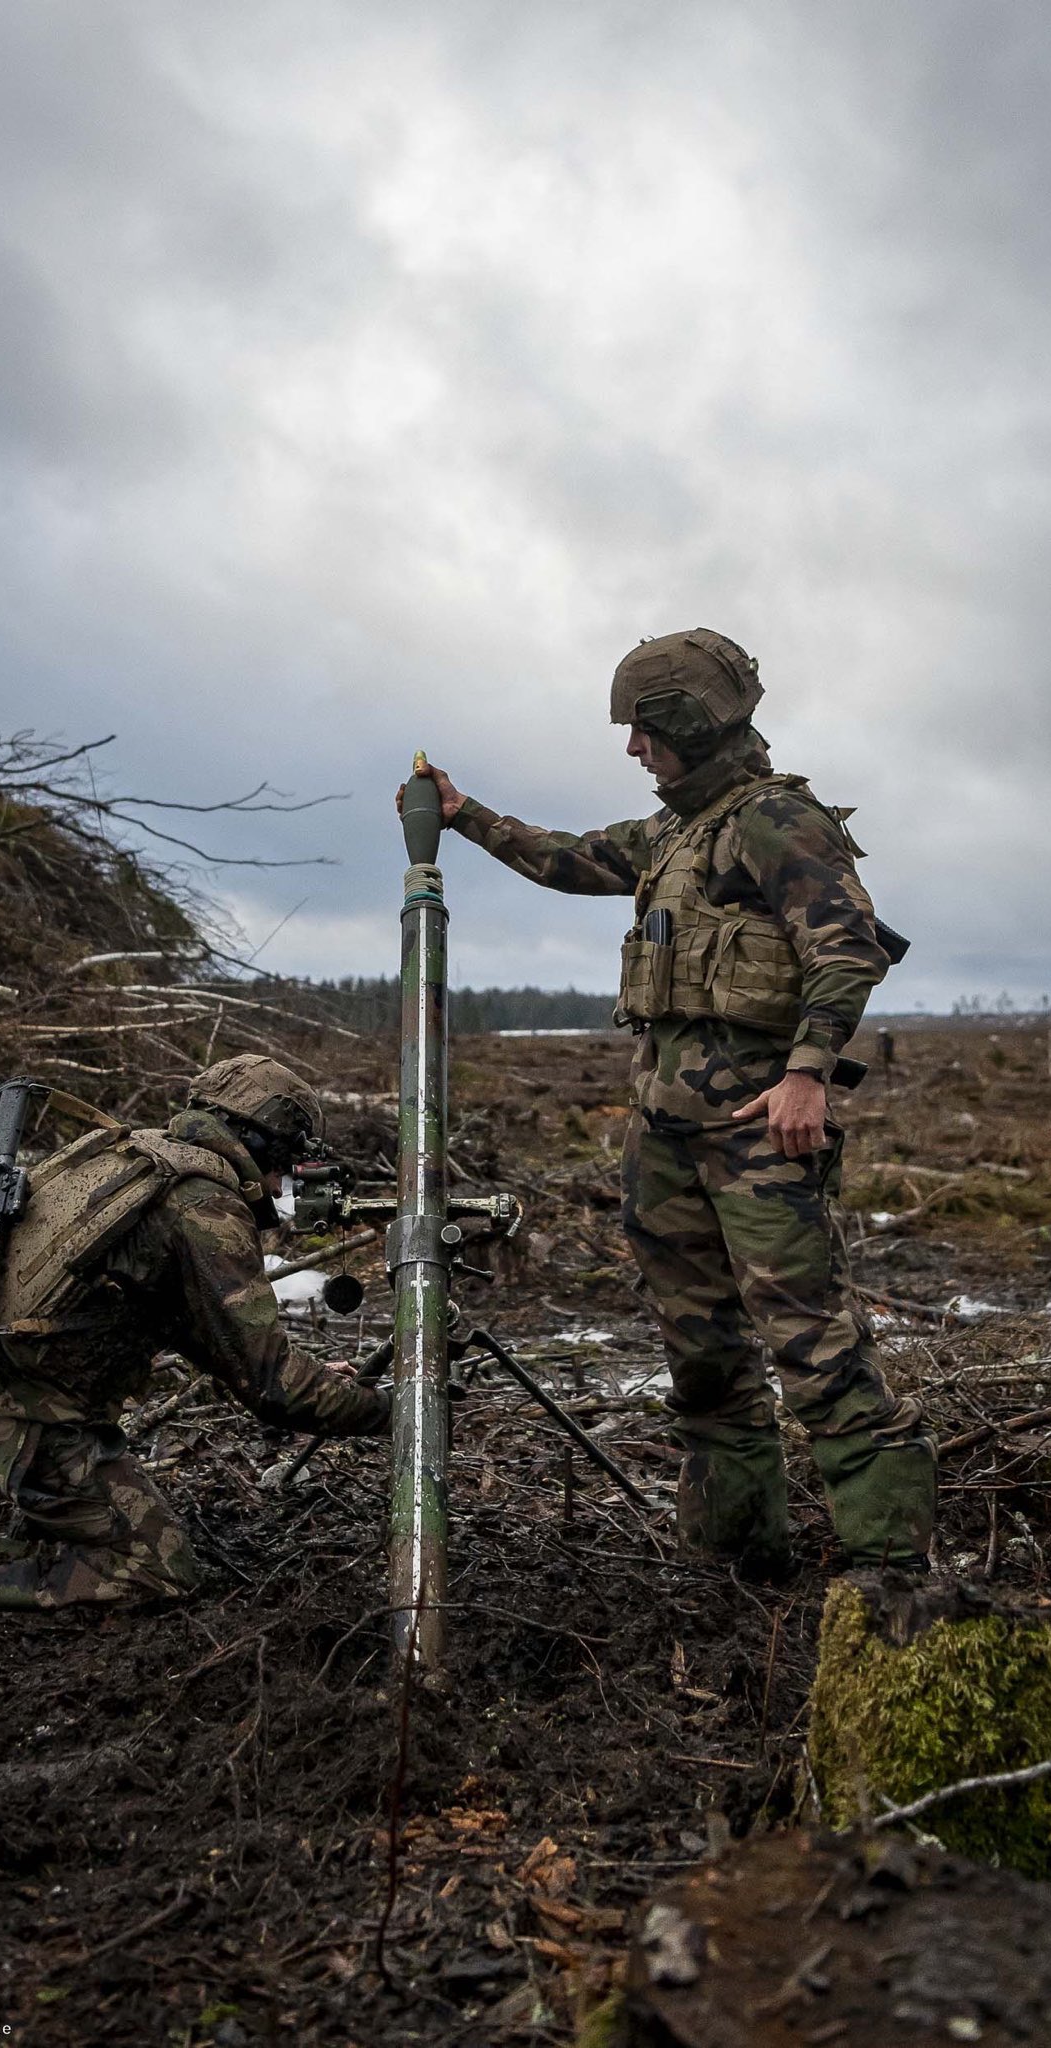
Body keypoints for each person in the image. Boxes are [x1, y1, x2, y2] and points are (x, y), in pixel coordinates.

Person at [402, 628, 935, 1578]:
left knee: (814, 1351)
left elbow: (846, 948)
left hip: (757, 1139)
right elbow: (563, 857)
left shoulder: (774, 822)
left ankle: (890, 1582)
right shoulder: (671, 833)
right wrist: (462, 814)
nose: (632, 748)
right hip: (665, 1142)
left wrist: (806, 1073)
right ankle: (735, 1564)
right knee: (703, 1361)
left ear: (691, 721)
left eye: (644, 728)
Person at [0, 1056, 389, 1634]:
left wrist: (320, 1381)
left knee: (100, 1507)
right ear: (260, 1140)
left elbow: (205, 1330)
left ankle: (51, 1519)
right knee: (160, 1570)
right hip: (11, 1411)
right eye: (284, 1165)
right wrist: (399, 1412)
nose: (279, 1186)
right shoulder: (203, 1206)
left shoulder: (130, 1151)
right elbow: (274, 1388)